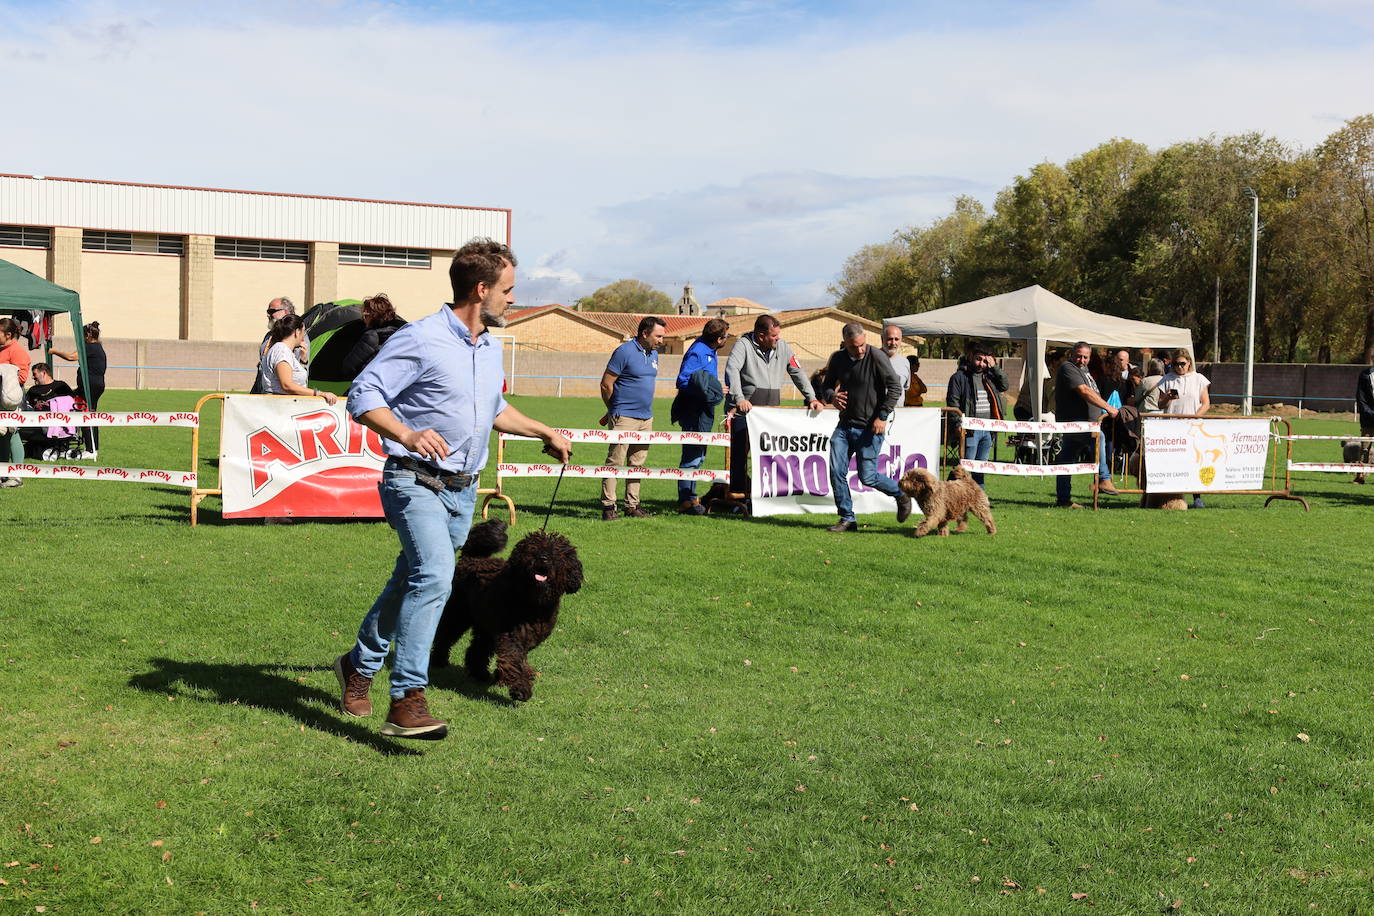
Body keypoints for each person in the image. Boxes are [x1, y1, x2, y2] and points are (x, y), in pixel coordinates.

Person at [334, 238, 572, 740]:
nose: (513, 299)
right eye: (508, 290)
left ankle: (358, 664)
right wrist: (407, 432)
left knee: (412, 581)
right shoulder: (420, 338)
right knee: (437, 579)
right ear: (481, 289)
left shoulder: (489, 346)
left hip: (462, 491)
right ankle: (407, 697)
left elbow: (495, 410)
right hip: (413, 480)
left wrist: (545, 432)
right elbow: (362, 395)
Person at [819, 323, 912, 532]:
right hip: (844, 426)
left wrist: (882, 416)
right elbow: (825, 386)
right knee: (836, 471)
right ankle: (847, 519)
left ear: (866, 338)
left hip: (871, 427)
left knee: (867, 476)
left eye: (862, 345)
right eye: (854, 347)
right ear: (845, 344)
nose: (860, 350)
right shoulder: (838, 359)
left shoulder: (877, 357)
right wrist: (832, 396)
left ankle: (901, 494)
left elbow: (895, 387)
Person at [723, 314, 821, 498]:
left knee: (771, 456)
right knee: (739, 456)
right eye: (774, 336)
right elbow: (732, 370)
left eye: (778, 335)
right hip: (744, 412)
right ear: (761, 336)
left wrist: (811, 398)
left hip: (770, 414)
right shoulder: (743, 345)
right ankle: (738, 495)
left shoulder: (783, 347)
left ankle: (768, 495)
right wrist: (739, 398)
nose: (778, 339)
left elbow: (797, 372)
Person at [598, 316, 667, 520]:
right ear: (645, 333)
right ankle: (609, 506)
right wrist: (614, 409)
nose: (661, 340)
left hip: (646, 418)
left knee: (637, 463)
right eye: (658, 336)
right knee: (615, 461)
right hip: (624, 416)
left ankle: (632, 505)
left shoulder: (653, 354)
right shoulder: (624, 352)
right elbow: (605, 384)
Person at [670, 317, 728, 514]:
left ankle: (692, 498)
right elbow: (683, 380)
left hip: (703, 410)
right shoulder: (698, 351)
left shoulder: (709, 350)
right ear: (719, 339)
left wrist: (715, 388)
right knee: (692, 457)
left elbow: (706, 381)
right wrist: (710, 389)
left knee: (699, 456)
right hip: (693, 410)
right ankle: (685, 501)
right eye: (726, 336)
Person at [1054, 341, 1119, 508]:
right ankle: (1104, 479)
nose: (1081, 360)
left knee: (1065, 461)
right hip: (1075, 423)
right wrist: (1108, 407)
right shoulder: (1068, 368)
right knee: (1099, 437)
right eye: (1078, 356)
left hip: (1085, 422)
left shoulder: (1084, 370)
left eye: (1085, 357)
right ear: (1071, 354)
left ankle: (1063, 499)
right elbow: (1084, 391)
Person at [944, 344, 1008, 487]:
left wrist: (994, 367)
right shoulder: (958, 378)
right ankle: (949, 491)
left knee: (981, 467)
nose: (981, 364)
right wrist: (957, 424)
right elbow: (952, 403)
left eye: (985, 361)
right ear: (970, 356)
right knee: (965, 466)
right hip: (970, 429)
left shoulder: (990, 376)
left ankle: (979, 498)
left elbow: (1004, 385)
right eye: (978, 359)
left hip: (989, 429)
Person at [1158, 349, 1211, 509]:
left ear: (1189, 363)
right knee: (1173, 463)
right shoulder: (1167, 379)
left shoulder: (1199, 379)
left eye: (1182, 364)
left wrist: (1194, 417)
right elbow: (1160, 405)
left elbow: (1206, 403)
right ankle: (1172, 497)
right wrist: (1167, 397)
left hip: (1193, 427)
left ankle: (1197, 497)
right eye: (1176, 364)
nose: (1179, 367)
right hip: (1172, 427)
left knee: (1195, 462)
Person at [51, 320, 106, 458]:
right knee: (90, 413)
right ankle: (92, 447)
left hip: (91, 386)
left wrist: (53, 351)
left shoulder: (90, 347)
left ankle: (91, 450)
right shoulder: (98, 347)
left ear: (87, 335)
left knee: (86, 415)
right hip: (94, 385)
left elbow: (71, 357)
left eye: (82, 335)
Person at [257, 315, 339, 405]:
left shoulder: (284, 350)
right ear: (297, 332)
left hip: (285, 406)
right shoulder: (281, 351)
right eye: (303, 331)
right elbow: (286, 385)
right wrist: (320, 394)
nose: (303, 336)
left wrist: (303, 361)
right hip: (279, 407)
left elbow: (294, 378)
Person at [339, 293, 407, 379]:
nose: (363, 319)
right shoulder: (404, 332)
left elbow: (349, 367)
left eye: (365, 315)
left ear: (374, 315)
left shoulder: (372, 335)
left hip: (373, 383)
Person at [251, 298, 308, 394]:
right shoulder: (268, 336)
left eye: (272, 311)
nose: (268, 315)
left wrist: (315, 394)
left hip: (285, 398)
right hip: (264, 393)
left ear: (285, 312)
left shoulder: (298, 337)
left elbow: (297, 374)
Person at [1356, 361, 1374, 484]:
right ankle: (1360, 476)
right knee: (1365, 449)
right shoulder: (1365, 375)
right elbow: (1361, 399)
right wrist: (1371, 414)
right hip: (1368, 420)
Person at [0, 317, 31, 387]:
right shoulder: (2, 349)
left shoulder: (17, 351)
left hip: (7, 395)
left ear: (8, 335)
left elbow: (22, 378)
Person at [882, 325, 911, 393]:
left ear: (901, 340)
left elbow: (905, 388)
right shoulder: (872, 359)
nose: (893, 343)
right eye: (890, 339)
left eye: (896, 339)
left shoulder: (905, 362)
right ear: (882, 339)